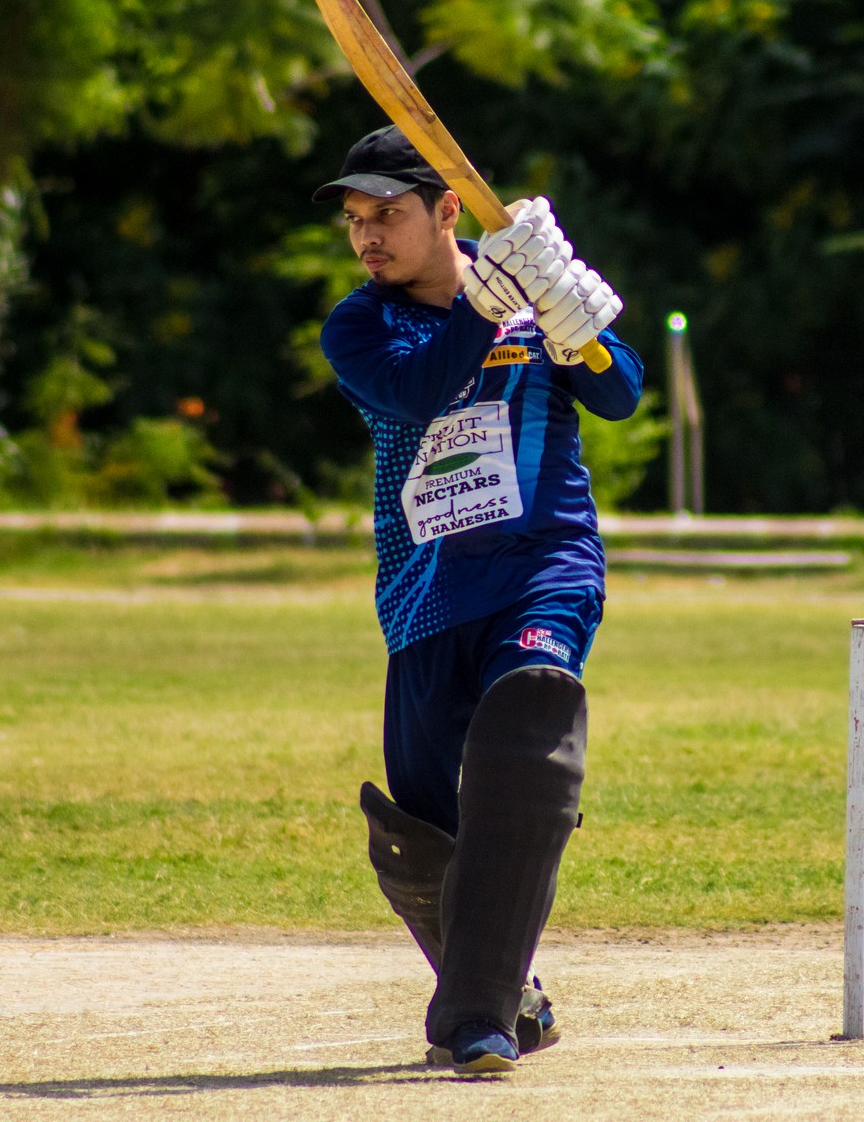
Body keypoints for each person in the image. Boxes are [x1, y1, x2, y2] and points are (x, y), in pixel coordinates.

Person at [313, 124, 643, 1074]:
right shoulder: (360, 326)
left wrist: (579, 335)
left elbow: (620, 394)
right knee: (421, 835)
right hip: (426, 597)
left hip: (545, 563)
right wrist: (484, 306)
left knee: (530, 717)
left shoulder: (527, 299)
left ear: (448, 210)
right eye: (356, 219)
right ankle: (509, 994)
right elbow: (419, 393)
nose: (368, 236)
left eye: (388, 214)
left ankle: (474, 1021)